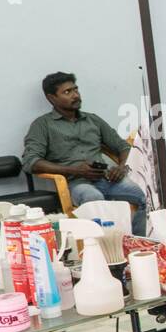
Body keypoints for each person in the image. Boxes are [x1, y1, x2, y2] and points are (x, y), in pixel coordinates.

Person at [23, 72, 148, 235]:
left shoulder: (93, 120)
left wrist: (122, 167)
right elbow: (30, 162)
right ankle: (106, 253)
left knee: (139, 195)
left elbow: (123, 147)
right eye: (67, 92)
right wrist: (75, 170)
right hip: (76, 182)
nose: (75, 95)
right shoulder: (43, 125)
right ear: (51, 98)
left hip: (106, 178)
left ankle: (139, 245)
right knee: (93, 198)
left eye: (76, 90)